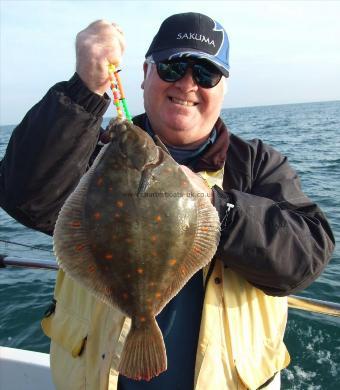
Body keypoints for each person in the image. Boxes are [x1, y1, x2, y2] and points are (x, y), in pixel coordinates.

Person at [0, 12, 335, 390]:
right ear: (145, 73)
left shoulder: (256, 164)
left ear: (223, 87)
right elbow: (24, 194)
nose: (189, 83)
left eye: (206, 73)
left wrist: (217, 207)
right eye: (174, 67)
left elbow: (305, 258)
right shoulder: (94, 156)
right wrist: (84, 89)